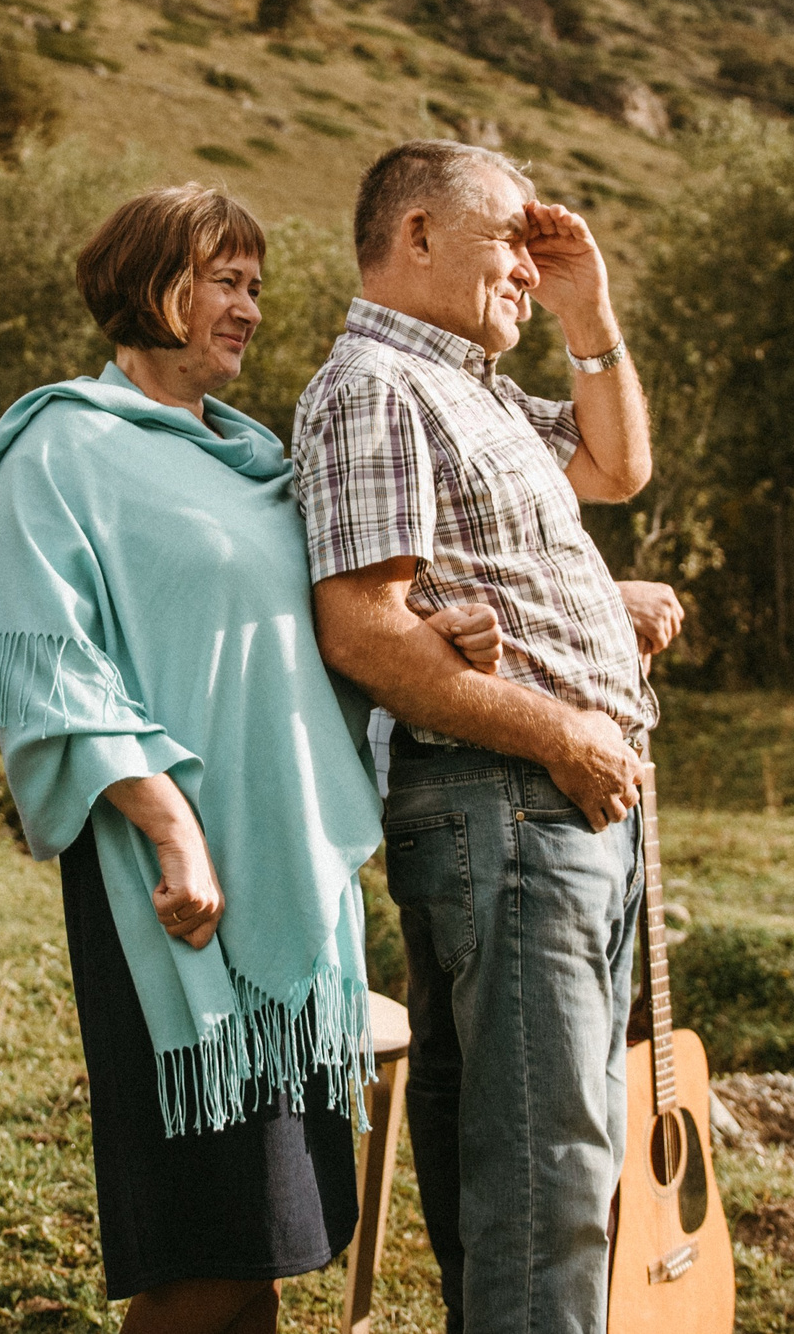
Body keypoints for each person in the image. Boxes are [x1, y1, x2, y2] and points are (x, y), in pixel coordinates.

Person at [0, 185, 501, 1334]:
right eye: (224, 280)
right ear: (150, 282)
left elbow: (309, 638)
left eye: (254, 284)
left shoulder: (258, 456)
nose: (249, 308)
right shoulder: (61, 445)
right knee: (199, 1248)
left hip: (288, 873)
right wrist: (170, 826)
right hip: (173, 888)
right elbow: (48, 667)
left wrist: (429, 640)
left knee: (269, 1237)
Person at [292, 140, 683, 1333]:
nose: (528, 260)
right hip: (508, 800)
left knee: (533, 1158)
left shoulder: (475, 385)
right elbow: (362, 627)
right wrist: (563, 726)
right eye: (506, 237)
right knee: (547, 1170)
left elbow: (619, 464)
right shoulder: (374, 384)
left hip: (554, 808)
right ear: (414, 235)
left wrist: (589, 309)